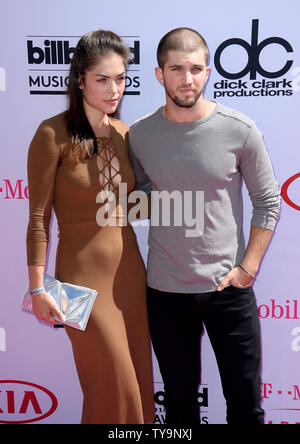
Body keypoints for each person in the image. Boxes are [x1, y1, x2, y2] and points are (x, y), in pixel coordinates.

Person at [129, 27, 281, 424]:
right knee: (179, 410)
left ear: (208, 71)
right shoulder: (140, 135)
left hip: (228, 290)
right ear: (160, 74)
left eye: (195, 68)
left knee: (246, 407)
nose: (187, 79)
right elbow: (141, 199)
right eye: (176, 69)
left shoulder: (239, 129)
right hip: (165, 292)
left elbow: (268, 201)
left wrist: (247, 268)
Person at [26, 30, 154, 424]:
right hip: (79, 280)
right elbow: (37, 219)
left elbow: (134, 204)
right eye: (103, 79)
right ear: (80, 79)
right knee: (112, 385)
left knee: (137, 385)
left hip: (129, 275)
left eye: (121, 78)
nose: (114, 88)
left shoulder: (124, 133)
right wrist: (37, 287)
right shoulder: (52, 133)